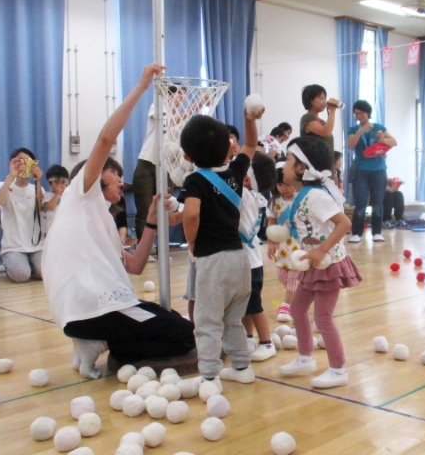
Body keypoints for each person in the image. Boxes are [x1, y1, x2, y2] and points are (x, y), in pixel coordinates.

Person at [42, 65, 195, 379]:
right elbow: (104, 139)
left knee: (166, 317)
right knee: (182, 333)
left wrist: (151, 222)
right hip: (91, 309)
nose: (121, 182)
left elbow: (136, 266)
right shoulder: (81, 195)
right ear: (98, 176)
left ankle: (93, 343)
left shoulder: (100, 223)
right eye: (116, 176)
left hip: (91, 311)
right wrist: (140, 88)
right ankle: (97, 341)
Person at [179, 102, 263, 386]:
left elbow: (191, 213)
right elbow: (251, 143)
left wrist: (191, 243)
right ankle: (241, 367)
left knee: (207, 321)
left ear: (187, 155)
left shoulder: (194, 180)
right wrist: (249, 118)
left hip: (212, 260)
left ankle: (210, 375)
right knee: (232, 319)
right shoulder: (236, 170)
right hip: (240, 259)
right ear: (230, 147)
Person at [278, 136, 362, 389]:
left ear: (302, 168)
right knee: (297, 309)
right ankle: (305, 358)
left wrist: (321, 249)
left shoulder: (315, 195)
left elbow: (344, 223)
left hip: (329, 266)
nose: (283, 165)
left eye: (289, 160)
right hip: (314, 265)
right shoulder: (304, 194)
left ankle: (338, 370)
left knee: (323, 318)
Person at [132, 83, 185, 240]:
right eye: (179, 93)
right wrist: (198, 104)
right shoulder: (157, 107)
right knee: (146, 210)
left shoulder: (182, 119)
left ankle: (163, 247)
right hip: (147, 164)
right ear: (168, 95)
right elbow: (168, 123)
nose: (182, 97)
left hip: (166, 168)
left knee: (165, 209)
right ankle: (144, 250)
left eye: (184, 95)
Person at [239, 153, 278, 362]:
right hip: (251, 260)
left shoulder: (244, 196)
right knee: (246, 305)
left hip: (250, 263)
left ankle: (266, 342)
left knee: (254, 305)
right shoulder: (255, 196)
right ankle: (247, 337)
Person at [346, 100, 397, 243]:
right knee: (360, 203)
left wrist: (382, 139)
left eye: (361, 112)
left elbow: (394, 142)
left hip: (378, 170)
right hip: (360, 170)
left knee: (378, 202)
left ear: (368, 112)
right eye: (356, 114)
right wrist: (360, 130)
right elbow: (350, 144)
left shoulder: (379, 127)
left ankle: (377, 232)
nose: (359, 116)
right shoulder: (353, 129)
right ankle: (357, 233)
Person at [0, 148, 44, 282]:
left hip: (35, 244)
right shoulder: (3, 186)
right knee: (22, 275)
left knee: (44, 273)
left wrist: (38, 181)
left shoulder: (36, 189)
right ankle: (16, 265)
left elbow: (40, 209)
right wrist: (11, 176)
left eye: (27, 162)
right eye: (19, 161)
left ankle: (31, 265)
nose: (23, 165)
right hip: (13, 245)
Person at [267, 166, 300, 323]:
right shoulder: (274, 201)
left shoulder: (300, 199)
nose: (284, 188)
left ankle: (286, 305)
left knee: (293, 278)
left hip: (297, 246)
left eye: (288, 184)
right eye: (280, 184)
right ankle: (299, 296)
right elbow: (272, 221)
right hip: (281, 247)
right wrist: (271, 242)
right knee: (282, 277)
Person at [300, 84, 340, 170]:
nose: (324, 102)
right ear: (310, 100)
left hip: (327, 167)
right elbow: (326, 132)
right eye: (321, 98)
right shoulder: (306, 118)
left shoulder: (322, 122)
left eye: (325, 99)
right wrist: (332, 110)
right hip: (315, 167)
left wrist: (334, 171)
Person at [42, 164, 69, 237]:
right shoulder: (47, 195)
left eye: (63, 182)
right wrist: (57, 194)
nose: (60, 185)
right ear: (50, 184)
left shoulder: (69, 195)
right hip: (51, 230)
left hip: (65, 229)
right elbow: (51, 207)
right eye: (57, 183)